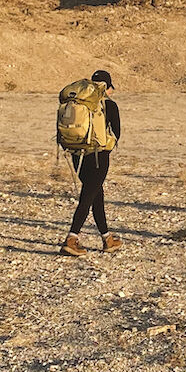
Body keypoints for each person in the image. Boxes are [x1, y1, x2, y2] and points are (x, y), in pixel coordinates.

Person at [60, 70, 122, 256]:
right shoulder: (108, 106)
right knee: (87, 197)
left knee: (96, 195)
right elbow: (117, 133)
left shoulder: (78, 103)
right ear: (107, 87)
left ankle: (107, 238)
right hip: (98, 156)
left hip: (76, 153)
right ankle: (72, 238)